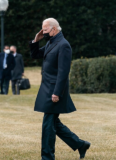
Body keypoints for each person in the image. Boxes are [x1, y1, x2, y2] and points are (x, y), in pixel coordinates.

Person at [29, 18, 90, 160]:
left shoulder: (63, 45)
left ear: (54, 29)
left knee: (48, 124)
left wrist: (57, 92)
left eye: (45, 30)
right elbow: (35, 55)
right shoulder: (51, 42)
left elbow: (63, 72)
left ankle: (47, 157)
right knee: (53, 123)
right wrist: (35, 41)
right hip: (46, 88)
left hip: (55, 90)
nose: (43, 32)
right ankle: (80, 145)